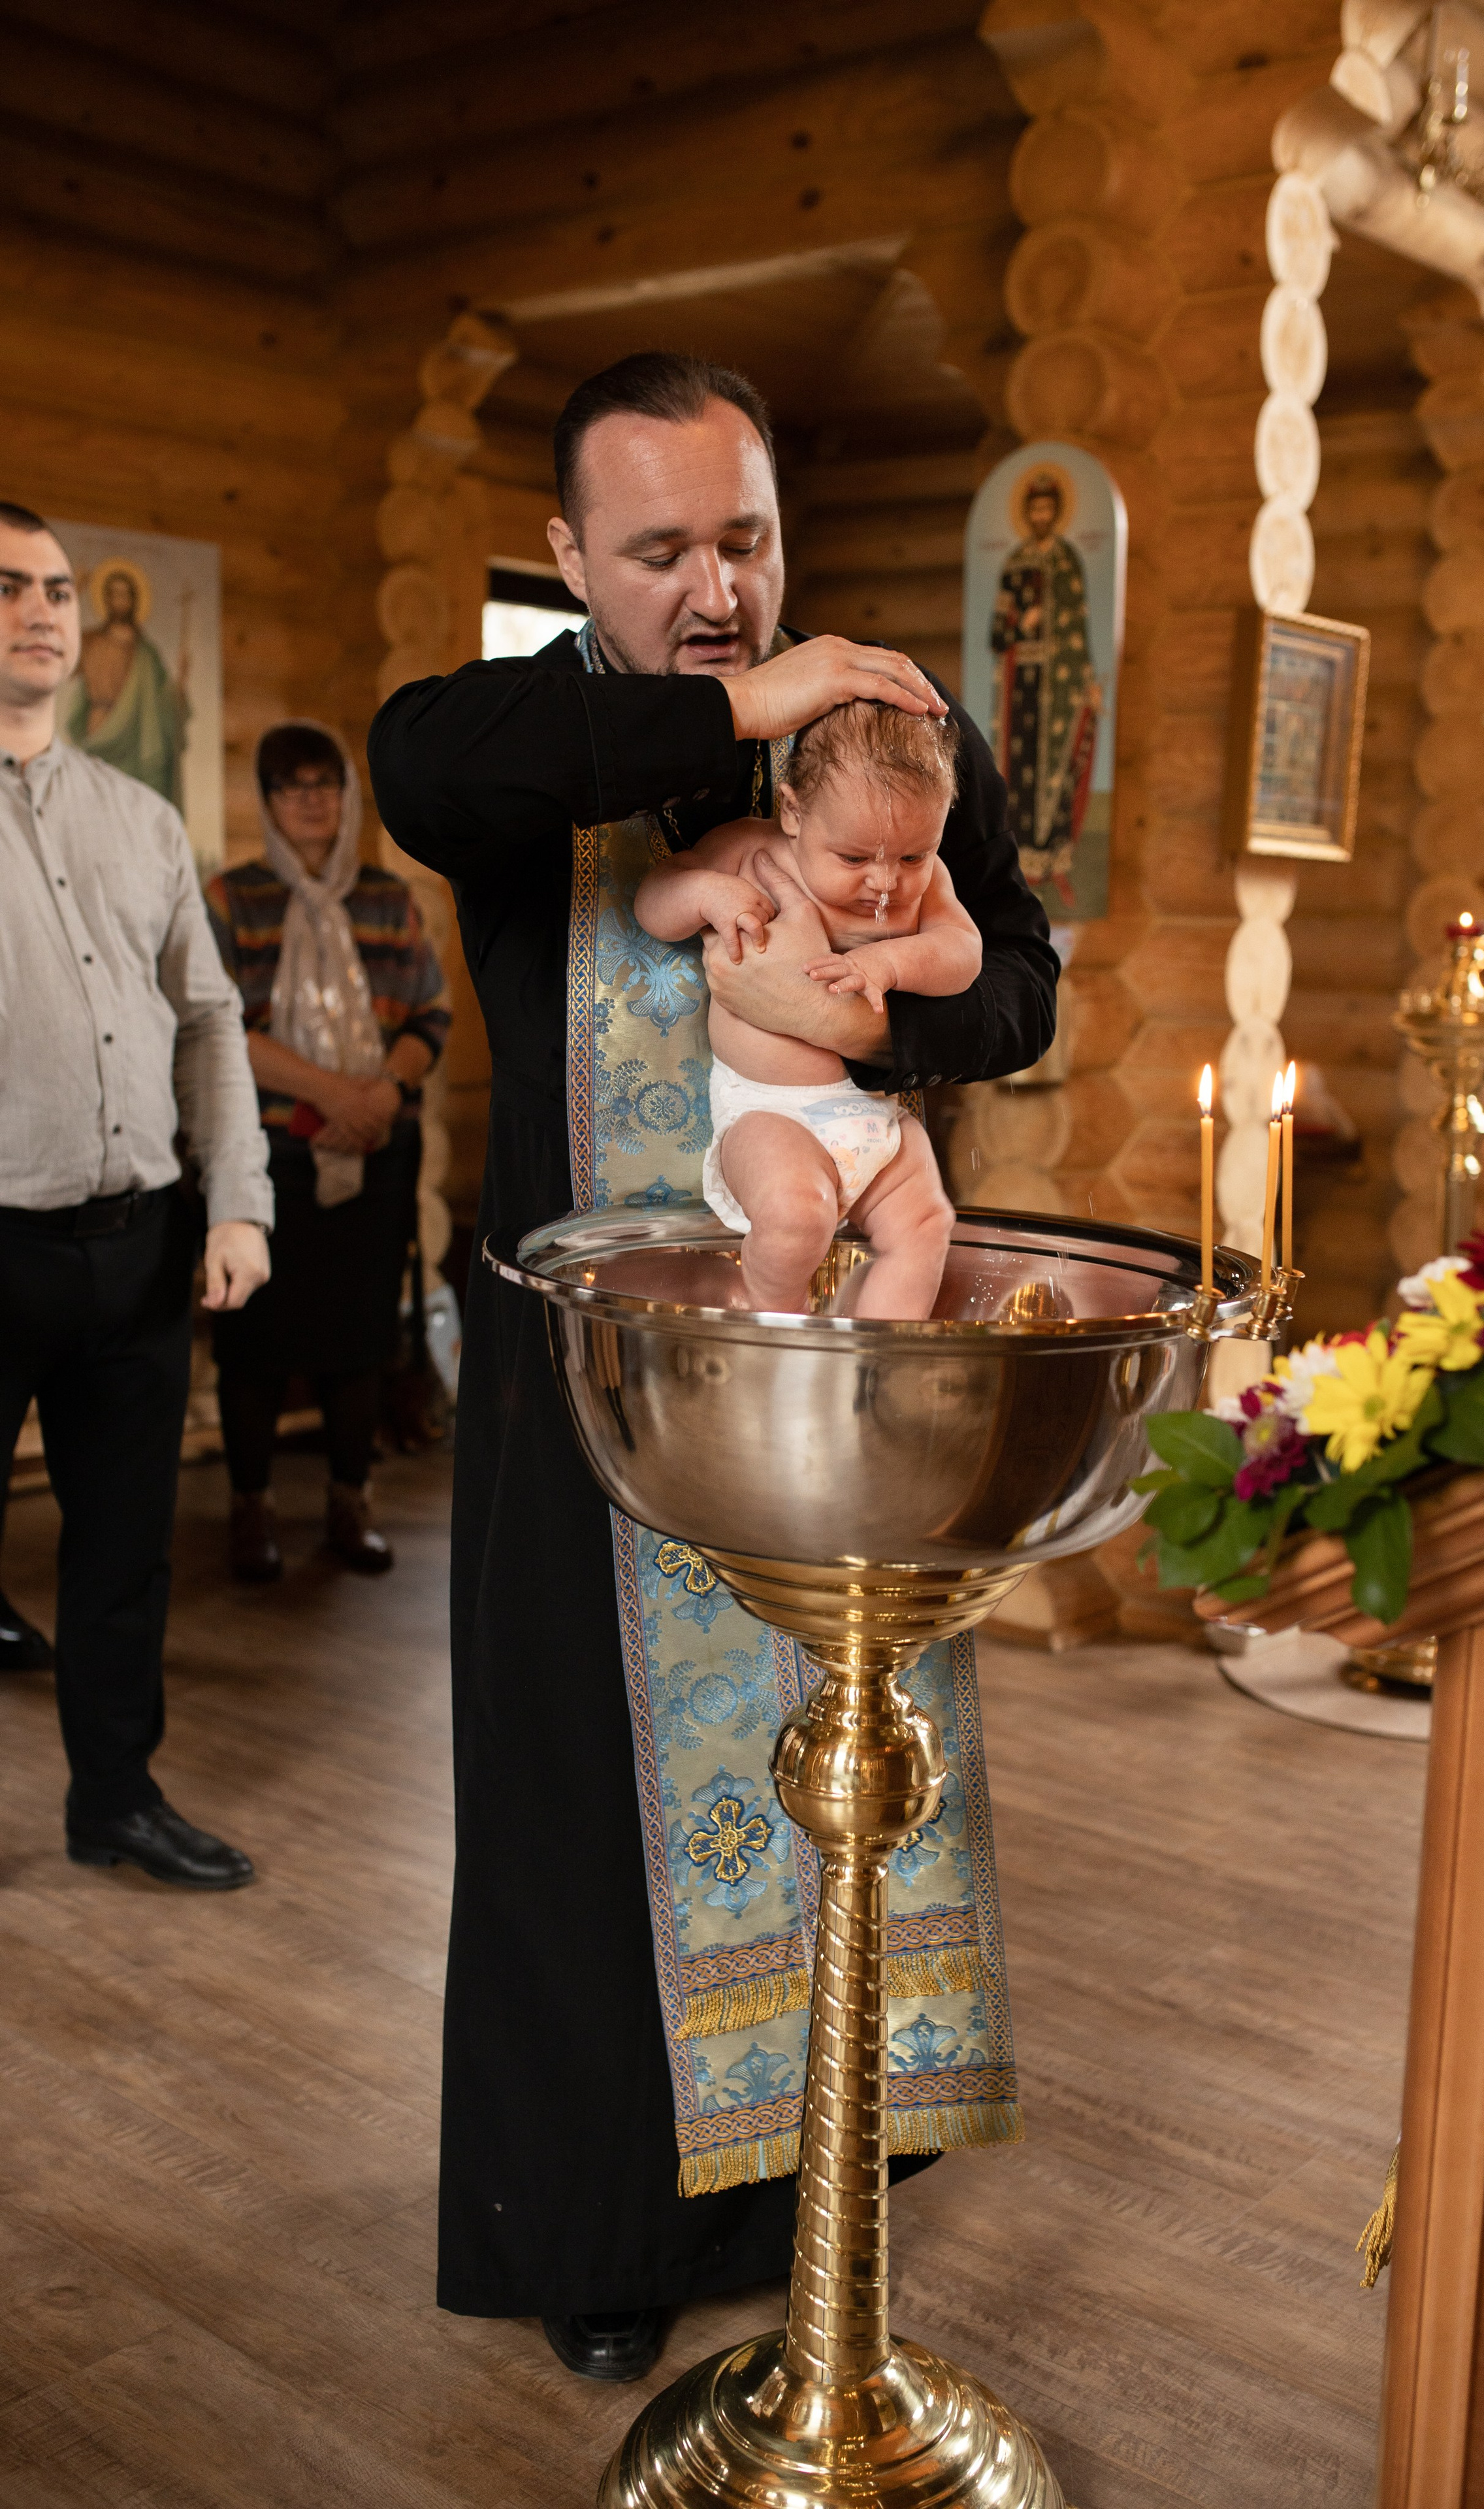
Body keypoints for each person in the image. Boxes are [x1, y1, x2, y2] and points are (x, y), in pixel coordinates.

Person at [367, 352, 1057, 2384]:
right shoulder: (531, 745)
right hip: (584, 1386)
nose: (717, 586)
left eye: (744, 540)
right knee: (578, 1810)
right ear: (576, 556)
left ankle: (796, 2193)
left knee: (836, 1782)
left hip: (836, 1368)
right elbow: (425, 765)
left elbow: (1016, 973)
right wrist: (733, 712)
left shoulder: (898, 741)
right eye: (660, 549)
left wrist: (886, 1002)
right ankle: (593, 2230)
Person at [0, 500, 272, 1890]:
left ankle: (115, 1799)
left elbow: (210, 1020)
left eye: (54, 587)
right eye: (9, 588)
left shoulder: (144, 819)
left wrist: (239, 1206)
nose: (43, 609)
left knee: (120, 1555)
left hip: (146, 1246)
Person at [204, 722, 449, 1581]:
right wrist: (333, 1093)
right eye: (291, 785)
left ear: (347, 799)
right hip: (270, 1157)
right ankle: (251, 1514)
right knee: (256, 1345)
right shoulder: (231, 898)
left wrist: (380, 1094)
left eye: (326, 784)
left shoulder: (388, 899)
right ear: (269, 804)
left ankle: (351, 1507)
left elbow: (430, 1017)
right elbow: (219, 1027)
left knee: (359, 1340)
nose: (312, 800)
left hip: (377, 1149)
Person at [635, 700, 976, 1316]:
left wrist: (891, 963)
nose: (885, 882)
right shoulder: (750, 851)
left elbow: (964, 952)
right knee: (795, 1216)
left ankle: (875, 1361)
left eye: (912, 857)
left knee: (926, 1224)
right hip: (771, 1113)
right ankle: (776, 1332)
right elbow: (655, 901)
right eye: (853, 858)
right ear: (793, 813)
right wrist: (706, 892)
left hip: (878, 1117)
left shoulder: (927, 885)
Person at [990, 470, 1099, 902]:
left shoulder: (1067, 562)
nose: (1041, 516)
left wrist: (1088, 679)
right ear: (1027, 514)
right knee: (1021, 774)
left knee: (1057, 771)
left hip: (1061, 684)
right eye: (1034, 509)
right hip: (1024, 685)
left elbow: (1079, 630)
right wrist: (1021, 624)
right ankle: (1020, 865)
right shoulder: (1015, 564)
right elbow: (998, 635)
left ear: (1055, 513)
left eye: (1047, 509)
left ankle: (1054, 862)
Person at [63, 558, 189, 808]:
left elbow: (164, 702)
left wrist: (183, 680)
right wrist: (71, 597)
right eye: (114, 595)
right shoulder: (90, 641)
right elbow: (60, 661)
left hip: (139, 744)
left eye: (126, 595)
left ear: (135, 601)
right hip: (99, 729)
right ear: (106, 600)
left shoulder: (146, 653)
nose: (120, 601)